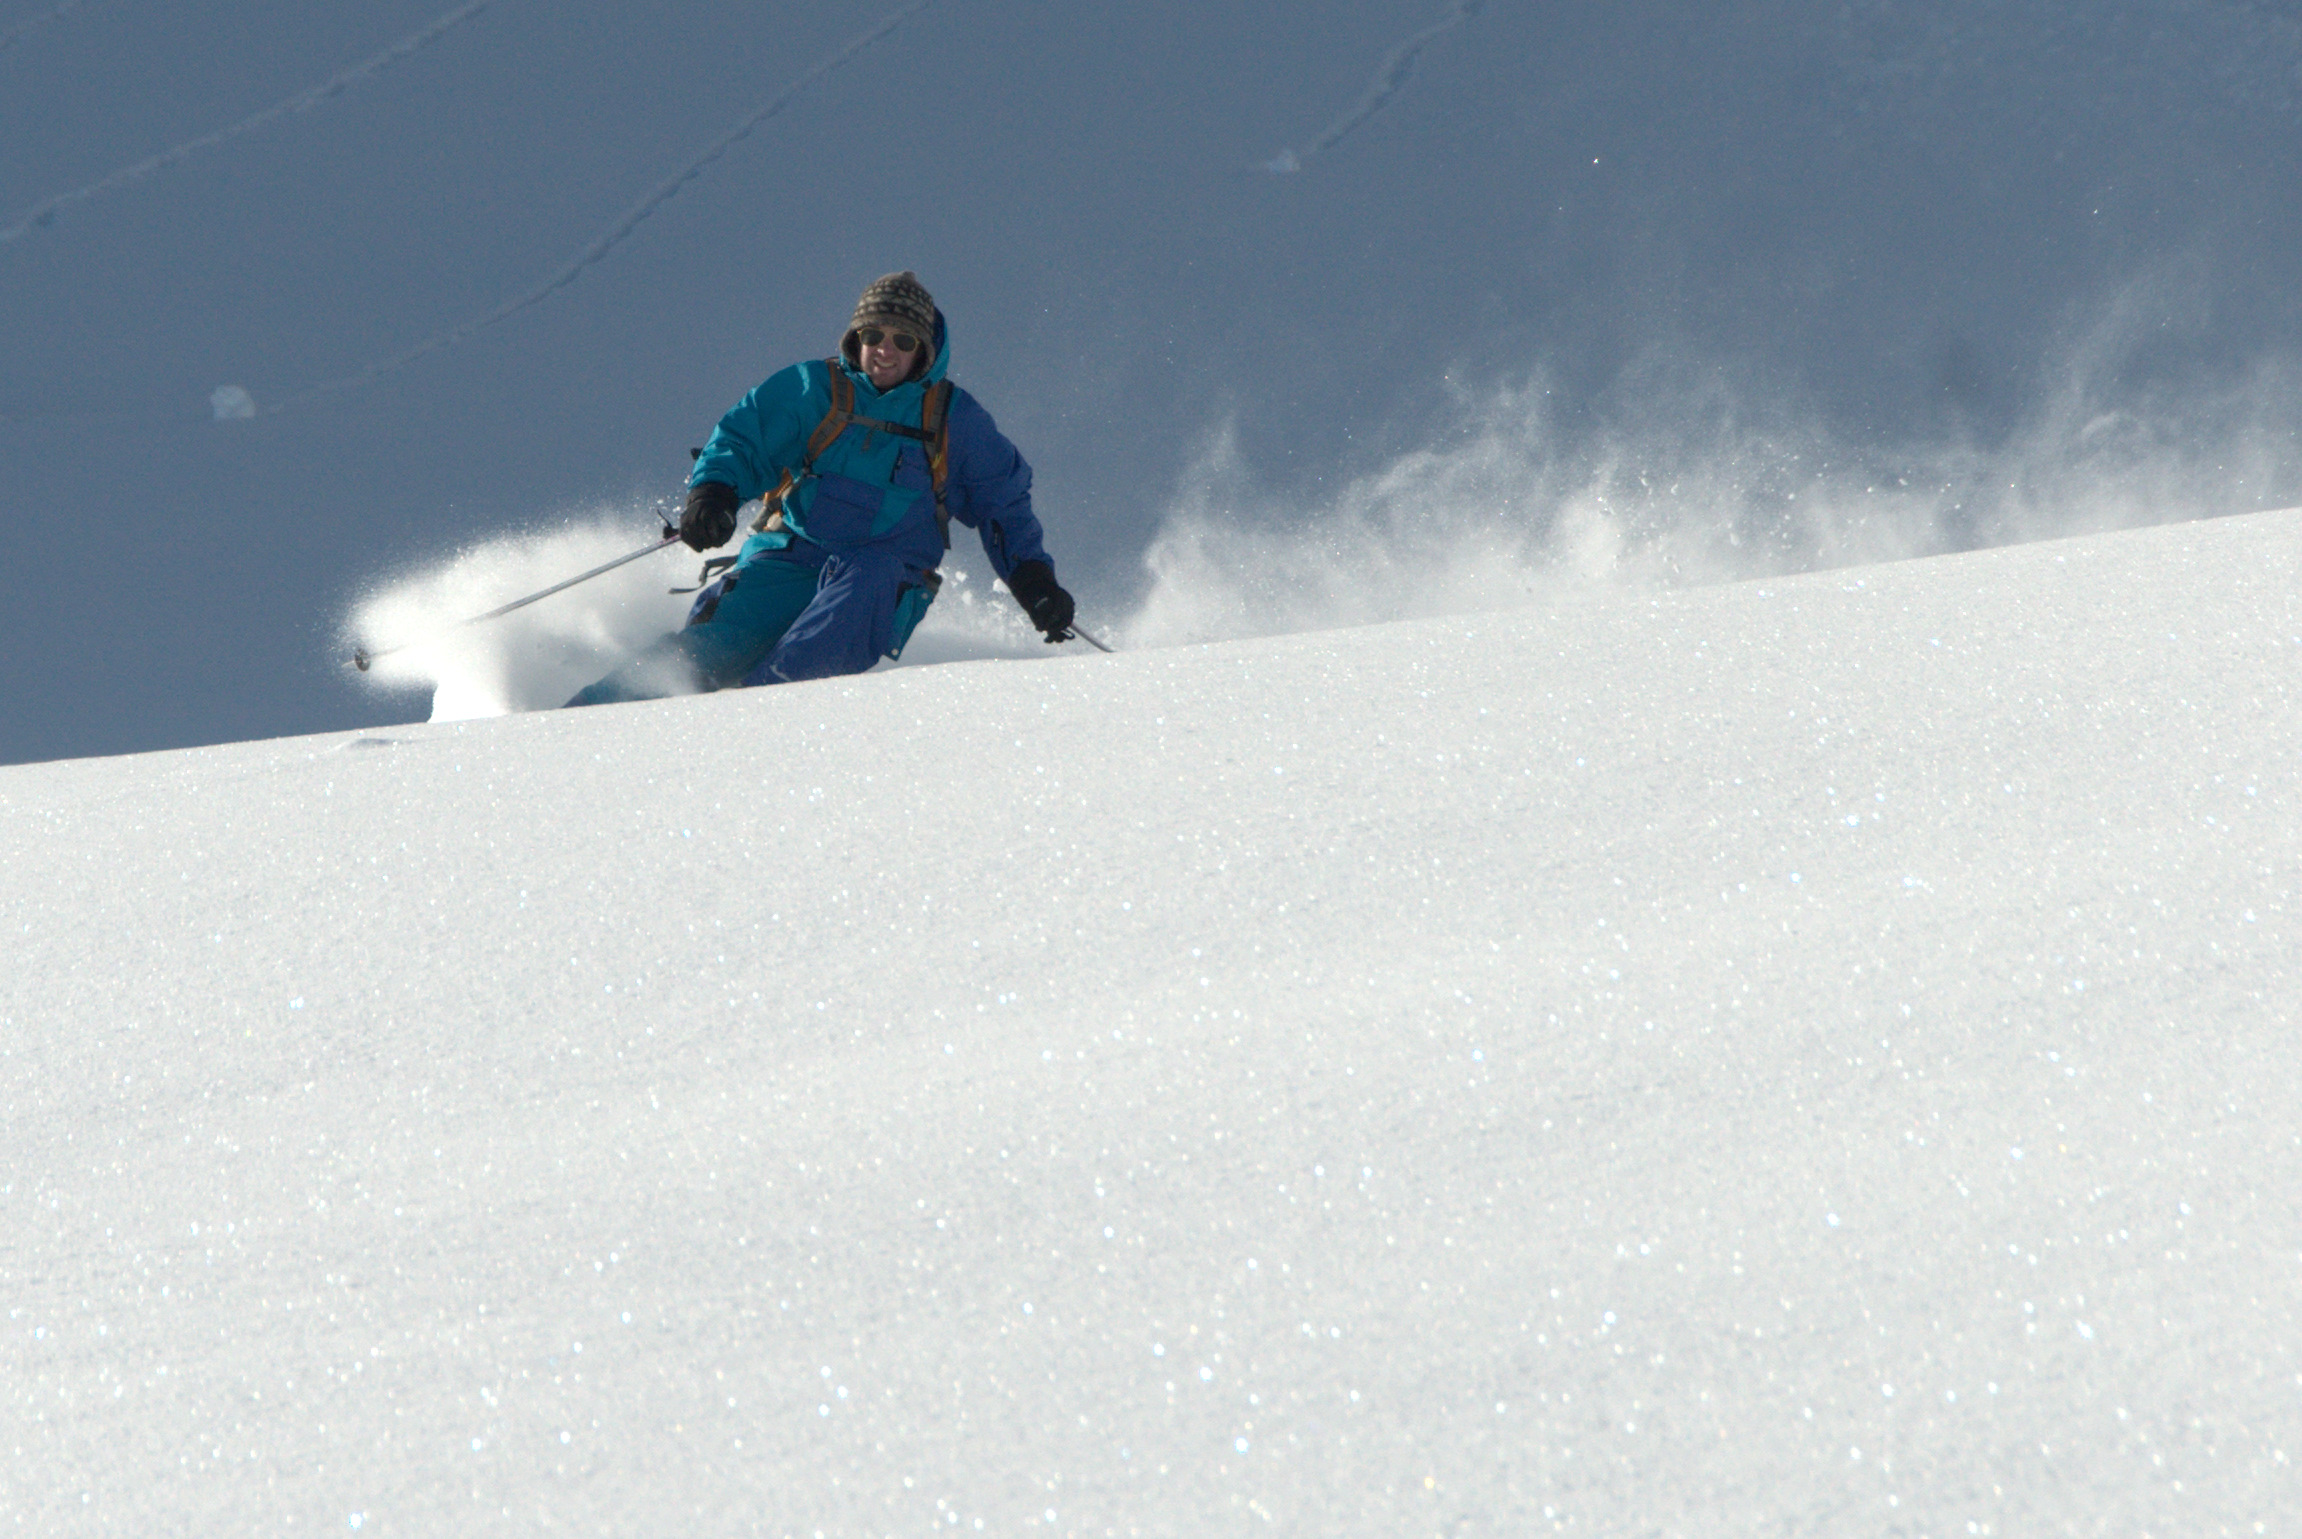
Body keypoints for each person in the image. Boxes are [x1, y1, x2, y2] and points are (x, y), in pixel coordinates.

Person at [567, 271, 1075, 706]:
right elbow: (745, 439)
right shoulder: (816, 390)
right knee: (702, 653)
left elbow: (1002, 504)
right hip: (789, 556)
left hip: (879, 571)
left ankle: (762, 713)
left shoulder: (952, 420)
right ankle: (575, 729)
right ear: (857, 337)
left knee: (859, 590)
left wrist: (1033, 579)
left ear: (925, 350)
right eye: (875, 334)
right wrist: (714, 494)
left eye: (903, 340)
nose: (885, 350)